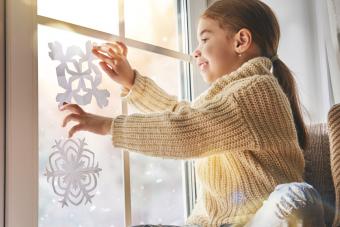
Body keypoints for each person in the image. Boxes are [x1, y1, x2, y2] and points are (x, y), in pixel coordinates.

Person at [60, 0, 324, 226]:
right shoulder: (223, 97)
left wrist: (109, 126)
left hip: (257, 217)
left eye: (205, 39)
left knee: (296, 199)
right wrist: (132, 82)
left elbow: (187, 130)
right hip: (216, 221)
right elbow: (182, 115)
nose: (195, 51)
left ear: (241, 41)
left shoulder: (257, 89)